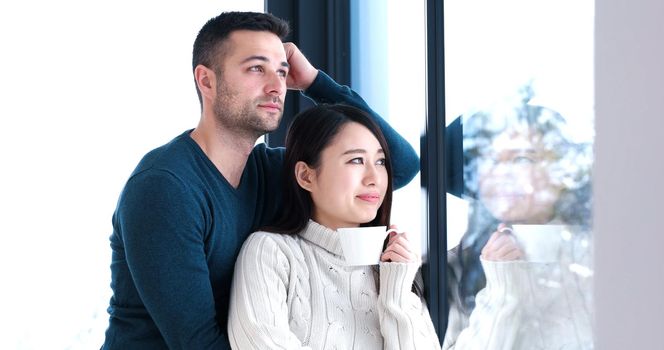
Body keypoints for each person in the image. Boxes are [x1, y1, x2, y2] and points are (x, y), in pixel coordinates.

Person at [102, 11, 419, 350]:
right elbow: (199, 345)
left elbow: (399, 166)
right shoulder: (165, 188)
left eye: (282, 72)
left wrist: (314, 81)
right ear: (206, 81)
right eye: (256, 68)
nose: (275, 86)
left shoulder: (271, 170)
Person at [227, 104, 440, 349]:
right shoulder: (271, 252)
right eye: (356, 160)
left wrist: (397, 291)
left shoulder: (395, 270)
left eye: (380, 161)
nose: (374, 178)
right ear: (306, 176)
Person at [442, 92, 593, 349]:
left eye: (523, 159)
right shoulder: (450, 268)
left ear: (561, 171)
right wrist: (501, 289)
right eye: (488, 159)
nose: (502, 174)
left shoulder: (598, 255)